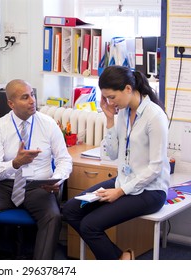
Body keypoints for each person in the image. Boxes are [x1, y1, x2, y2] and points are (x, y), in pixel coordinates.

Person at [62, 66, 170, 260]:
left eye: (112, 97)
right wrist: (110, 119)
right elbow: (110, 154)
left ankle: (118, 263)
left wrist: (120, 191)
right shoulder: (122, 113)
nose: (110, 102)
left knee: (90, 225)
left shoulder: (155, 116)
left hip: (150, 190)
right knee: (70, 209)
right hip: (125, 180)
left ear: (128, 89)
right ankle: (121, 259)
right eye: (106, 98)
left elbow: (156, 168)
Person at [0, 79, 73, 259]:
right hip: (6, 185)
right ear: (11, 103)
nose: (32, 100)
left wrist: (57, 179)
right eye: (25, 97)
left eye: (32, 95)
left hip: (38, 186)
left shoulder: (48, 124)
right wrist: (15, 163)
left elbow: (64, 159)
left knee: (53, 217)